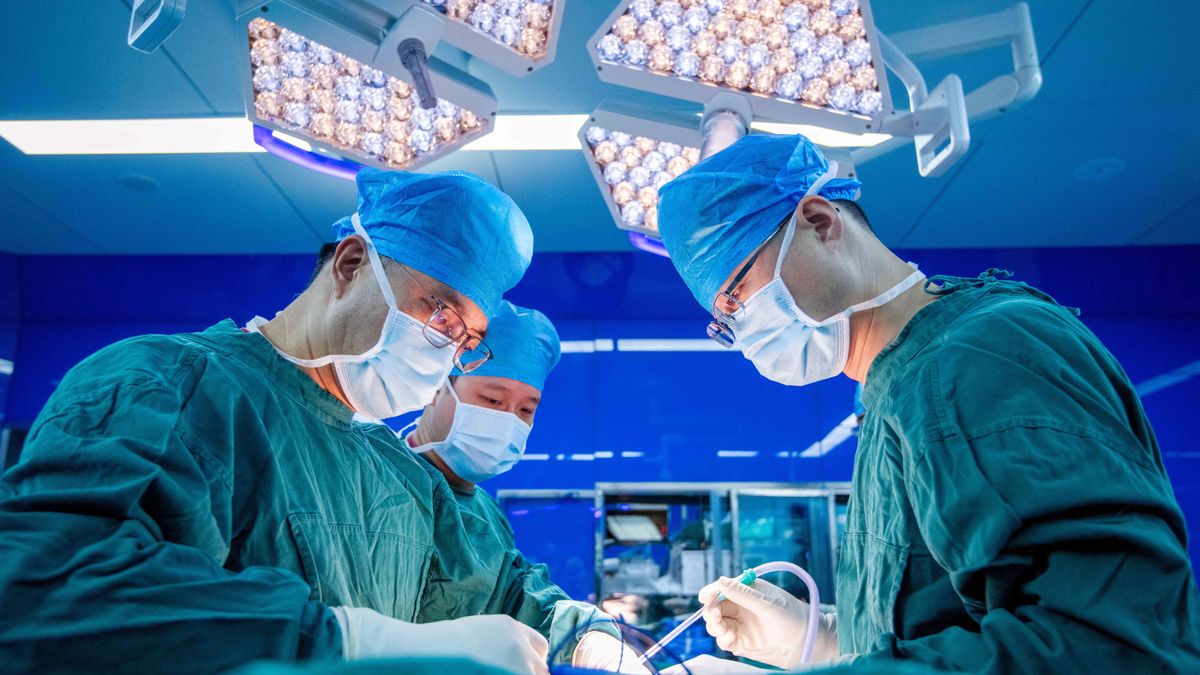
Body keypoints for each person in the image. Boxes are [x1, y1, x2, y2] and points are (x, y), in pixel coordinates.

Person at [653, 134, 1200, 672]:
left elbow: (1108, 645)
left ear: (819, 223)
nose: (743, 328)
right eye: (725, 320)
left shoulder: (984, 357)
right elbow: (949, 619)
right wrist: (823, 642)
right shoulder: (895, 395)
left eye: (738, 296)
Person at [0, 168, 551, 674]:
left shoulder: (398, 473)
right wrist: (341, 639)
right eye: (440, 311)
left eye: (465, 340)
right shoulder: (166, 382)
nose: (445, 348)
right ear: (352, 264)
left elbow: (481, 587)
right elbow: (44, 586)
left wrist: (583, 632)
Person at [401, 300, 646, 673]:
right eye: (492, 399)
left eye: (526, 409)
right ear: (437, 387)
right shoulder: (380, 478)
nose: (507, 420)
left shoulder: (484, 514)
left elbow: (518, 598)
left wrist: (588, 637)